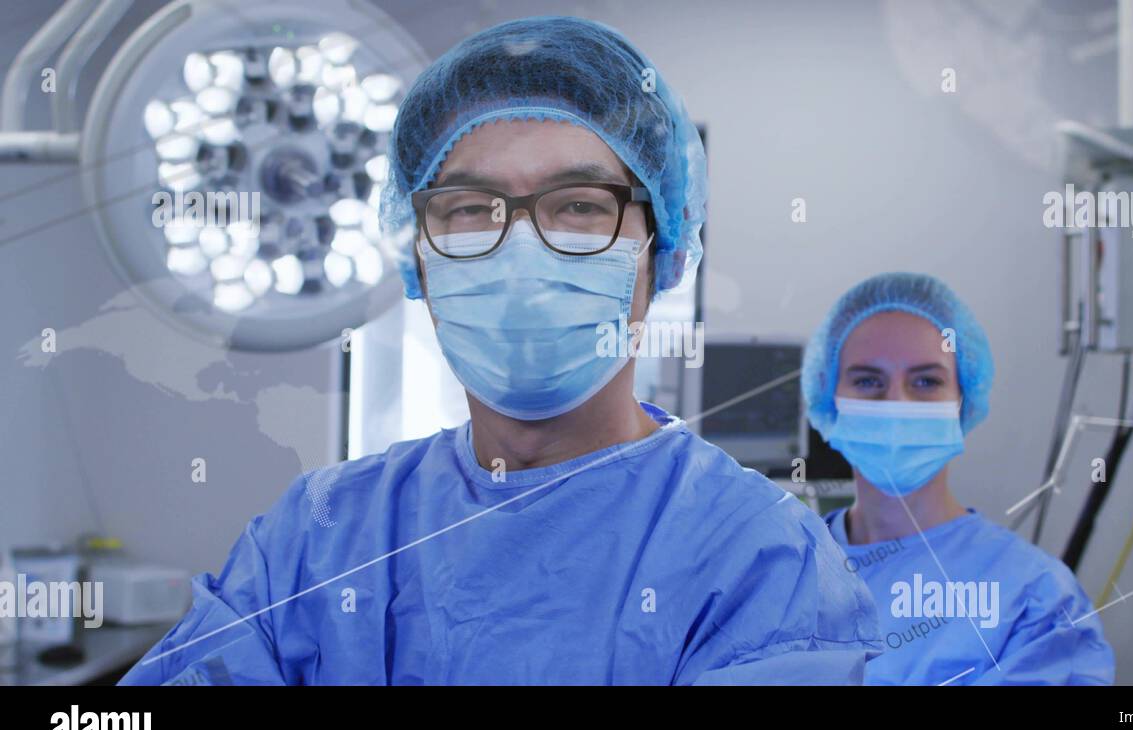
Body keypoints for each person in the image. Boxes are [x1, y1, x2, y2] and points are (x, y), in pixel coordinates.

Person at [120, 16, 880, 685]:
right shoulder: (317, 538)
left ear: (664, 249)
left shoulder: (759, 559)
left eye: (579, 205)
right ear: (417, 257)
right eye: (468, 209)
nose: (521, 249)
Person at [801, 272, 1114, 685]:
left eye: (926, 381)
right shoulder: (788, 576)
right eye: (868, 381)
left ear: (963, 399)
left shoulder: (1033, 599)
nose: (897, 403)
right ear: (828, 396)